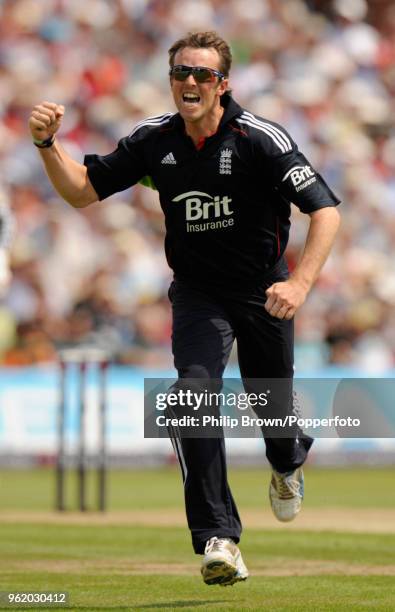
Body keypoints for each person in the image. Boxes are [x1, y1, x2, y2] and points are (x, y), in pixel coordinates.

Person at [29, 30, 340, 587]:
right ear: (170, 80)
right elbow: (81, 193)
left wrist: (301, 285)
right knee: (191, 394)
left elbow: (327, 214)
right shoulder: (154, 140)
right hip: (198, 295)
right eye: (180, 74)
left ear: (223, 84)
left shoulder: (259, 138)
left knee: (275, 422)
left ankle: (288, 461)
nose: (189, 82)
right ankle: (219, 538)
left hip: (266, 291)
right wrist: (49, 147)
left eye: (201, 74)